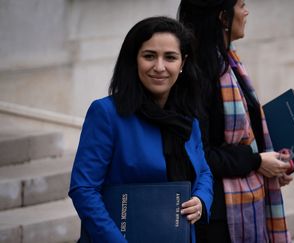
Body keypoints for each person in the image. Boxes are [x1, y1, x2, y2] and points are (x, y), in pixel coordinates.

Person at [68, 16, 213, 243]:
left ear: (182, 64)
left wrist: (201, 200)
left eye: (170, 57)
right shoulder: (106, 113)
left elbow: (203, 171)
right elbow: (83, 189)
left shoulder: (187, 117)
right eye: (149, 56)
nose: (159, 67)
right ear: (134, 60)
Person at [178, 1, 294, 242]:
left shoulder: (230, 64)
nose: (246, 11)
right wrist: (256, 162)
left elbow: (248, 136)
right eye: (241, 5)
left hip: (247, 199)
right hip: (217, 215)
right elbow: (200, 153)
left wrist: (272, 165)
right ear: (223, 17)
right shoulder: (195, 75)